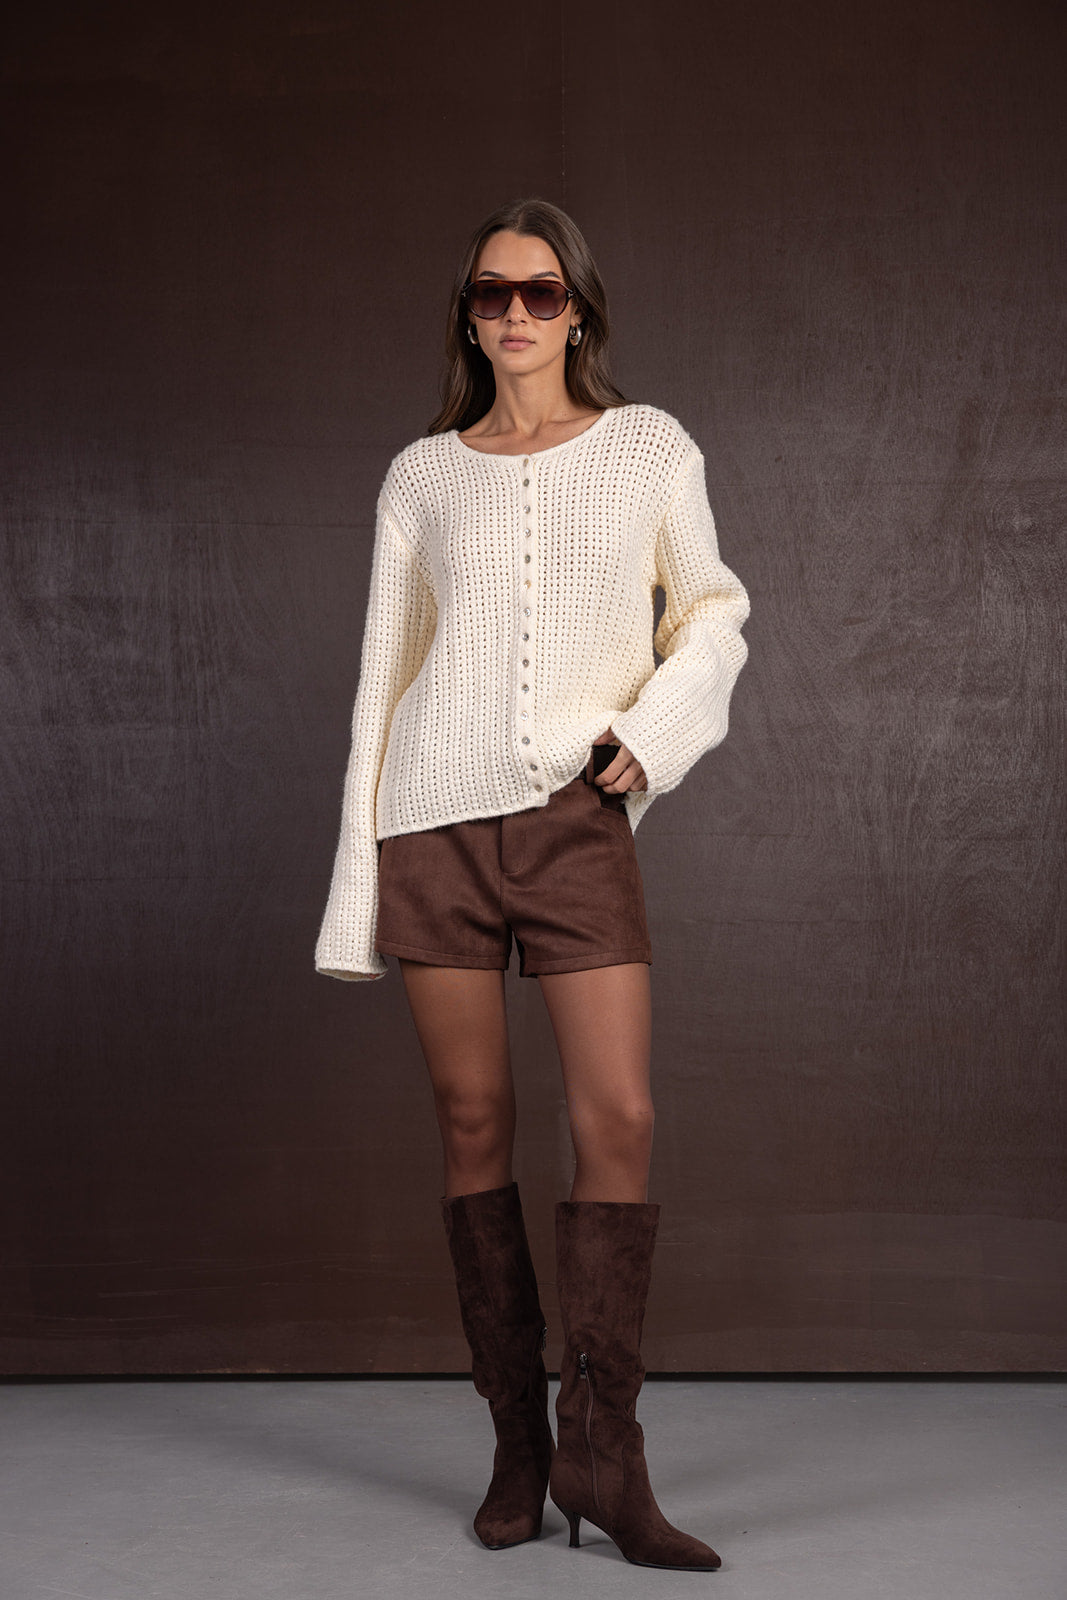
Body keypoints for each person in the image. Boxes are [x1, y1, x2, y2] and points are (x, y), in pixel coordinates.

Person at [315, 198, 749, 1571]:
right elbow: (382, 681)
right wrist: (356, 888)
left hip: (575, 818)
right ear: (467, 314)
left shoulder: (648, 449)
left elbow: (714, 610)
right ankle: (517, 1445)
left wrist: (653, 735)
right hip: (430, 825)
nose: (514, 314)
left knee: (619, 1114)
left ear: (580, 311)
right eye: (491, 293)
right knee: (472, 1122)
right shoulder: (419, 477)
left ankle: (603, 1452)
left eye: (541, 293)